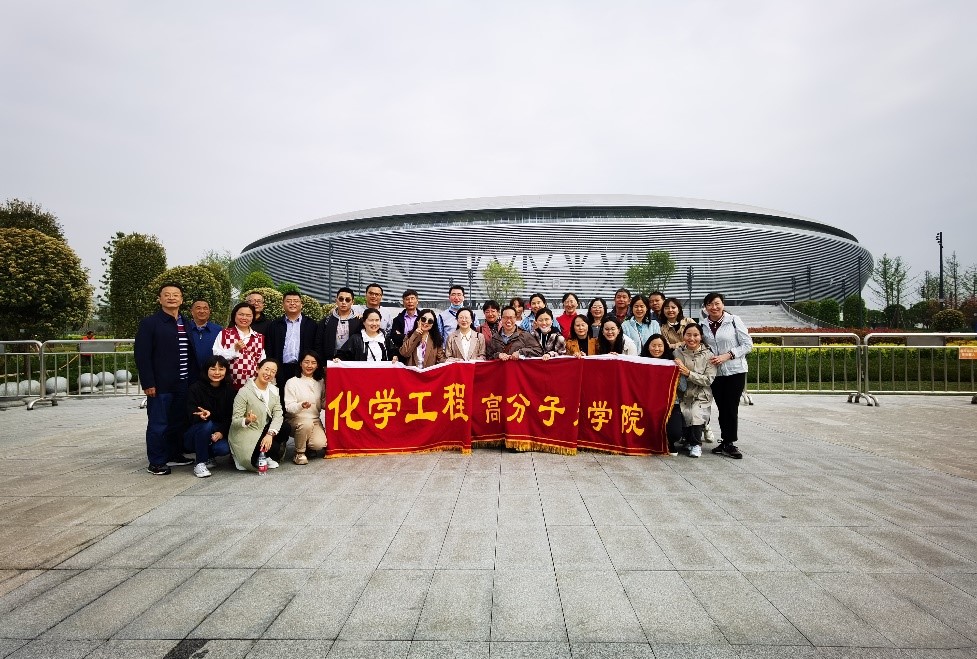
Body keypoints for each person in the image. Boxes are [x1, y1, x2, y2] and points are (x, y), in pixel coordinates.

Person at [134, 282, 198, 475]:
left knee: (177, 422)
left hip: (183, 383)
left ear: (182, 300)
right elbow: (142, 355)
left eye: (176, 295)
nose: (171, 298)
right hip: (161, 385)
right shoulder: (150, 323)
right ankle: (156, 462)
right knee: (158, 424)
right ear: (159, 299)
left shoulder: (186, 323)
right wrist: (148, 382)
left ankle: (174, 454)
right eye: (167, 294)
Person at [700, 292, 753, 459]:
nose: (714, 307)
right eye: (710, 304)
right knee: (722, 407)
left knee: (730, 407)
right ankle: (725, 441)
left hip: (735, 371)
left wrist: (728, 355)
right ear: (705, 307)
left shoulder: (734, 321)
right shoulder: (703, 325)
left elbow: (747, 344)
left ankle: (729, 442)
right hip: (715, 373)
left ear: (723, 304)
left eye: (717, 303)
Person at [229, 358, 285, 471]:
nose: (269, 373)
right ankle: (242, 456)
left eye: (273, 371)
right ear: (258, 369)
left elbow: (278, 413)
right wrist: (247, 420)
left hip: (264, 429)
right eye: (266, 369)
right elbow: (235, 420)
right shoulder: (244, 392)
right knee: (272, 449)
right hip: (247, 431)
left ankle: (264, 454)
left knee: (285, 428)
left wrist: (270, 434)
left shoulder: (274, 390)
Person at [184, 355, 235, 478]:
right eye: (213, 369)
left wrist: (221, 432)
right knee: (206, 425)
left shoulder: (229, 391)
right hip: (195, 433)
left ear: (226, 371)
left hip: (216, 432)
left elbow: (230, 416)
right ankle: (200, 463)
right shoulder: (195, 388)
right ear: (206, 370)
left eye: (221, 369)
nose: (217, 372)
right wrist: (201, 416)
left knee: (224, 448)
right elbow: (190, 414)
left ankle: (209, 457)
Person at [674, 323, 717, 458]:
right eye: (688, 335)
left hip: (700, 394)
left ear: (701, 337)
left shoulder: (709, 355)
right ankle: (687, 440)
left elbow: (708, 379)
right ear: (683, 336)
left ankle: (696, 444)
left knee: (694, 414)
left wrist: (688, 373)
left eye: (695, 335)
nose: (692, 338)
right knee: (682, 413)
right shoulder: (677, 353)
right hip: (682, 394)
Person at [265, 292, 317, 395]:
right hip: (280, 368)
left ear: (301, 304)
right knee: (280, 396)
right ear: (283, 304)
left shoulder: (311, 324)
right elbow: (269, 347)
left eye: (296, 301)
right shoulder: (274, 325)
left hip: (303, 368)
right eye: (288, 301)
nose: (292, 303)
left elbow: (315, 347)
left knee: (301, 397)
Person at [643, 334, 684, 455]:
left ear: (665, 347)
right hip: (647, 404)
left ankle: (669, 442)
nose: (657, 349)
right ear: (648, 347)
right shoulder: (640, 362)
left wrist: (681, 369)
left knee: (675, 433)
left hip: (670, 405)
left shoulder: (673, 363)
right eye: (653, 345)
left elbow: (683, 387)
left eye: (660, 346)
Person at [284, 350, 326, 464]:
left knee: (319, 444)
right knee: (306, 424)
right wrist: (301, 405)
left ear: (317, 365)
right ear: (300, 363)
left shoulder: (320, 382)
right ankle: (299, 453)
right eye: (306, 362)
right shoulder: (292, 382)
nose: (309, 365)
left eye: (313, 363)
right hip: (296, 419)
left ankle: (306, 444)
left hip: (315, 420)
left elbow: (323, 403)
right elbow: (288, 407)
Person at [213, 302, 266, 390]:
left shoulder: (259, 337)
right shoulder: (224, 333)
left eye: (248, 315)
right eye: (241, 314)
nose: (244, 318)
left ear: (253, 317)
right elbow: (216, 357)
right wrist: (234, 349)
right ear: (234, 315)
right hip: (226, 385)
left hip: (252, 387)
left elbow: (262, 362)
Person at [315, 287, 362, 363]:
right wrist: (323, 364)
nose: (344, 302)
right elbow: (318, 343)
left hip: (352, 363)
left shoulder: (359, 321)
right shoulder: (326, 321)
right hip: (331, 362)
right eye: (341, 299)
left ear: (352, 302)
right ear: (336, 300)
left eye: (347, 300)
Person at [188, 299, 222, 364]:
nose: (202, 311)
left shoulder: (218, 330)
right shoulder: (185, 328)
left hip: (211, 369)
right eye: (198, 308)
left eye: (205, 308)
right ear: (192, 311)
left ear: (209, 311)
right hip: (188, 369)